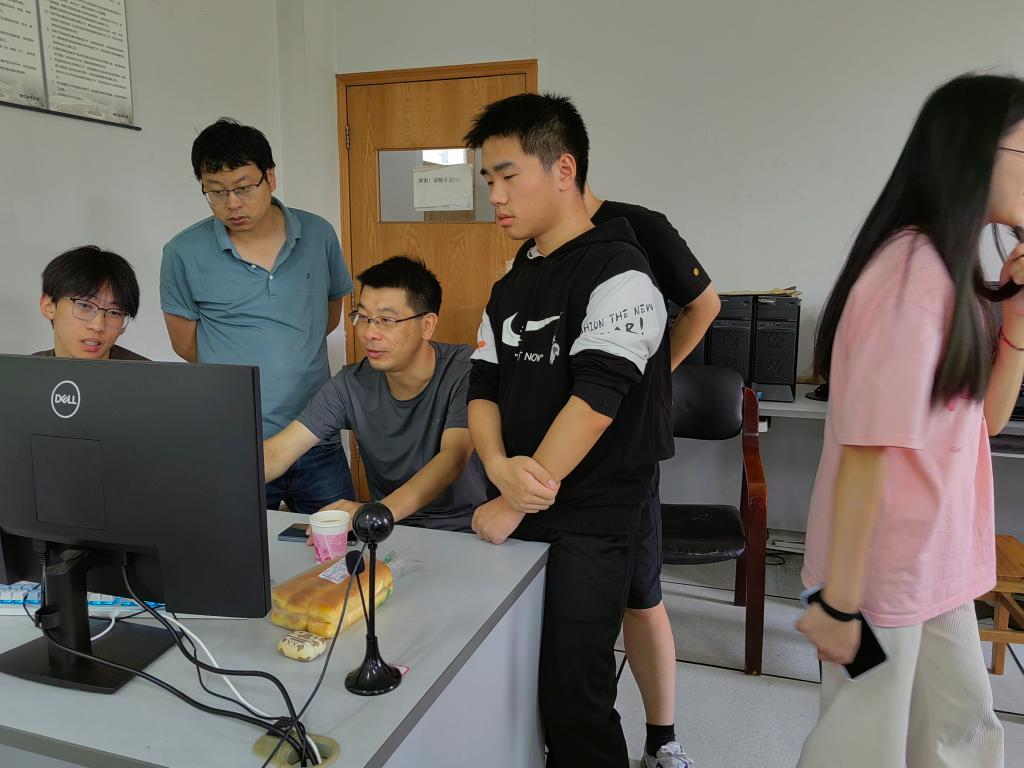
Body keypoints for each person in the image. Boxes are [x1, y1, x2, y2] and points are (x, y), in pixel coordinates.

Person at [796, 73, 1024, 766]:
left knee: (963, 735)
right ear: (976, 152)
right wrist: (840, 604)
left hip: (939, 571)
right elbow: (869, 456)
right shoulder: (910, 282)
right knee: (861, 747)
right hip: (880, 584)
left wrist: (1016, 322)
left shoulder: (950, 275)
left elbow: (984, 425)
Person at [465, 92, 666, 767]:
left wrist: (512, 499)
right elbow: (482, 387)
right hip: (516, 500)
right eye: (487, 179)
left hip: (590, 518)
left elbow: (595, 402)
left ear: (563, 169)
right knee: (513, 683)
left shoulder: (621, 271)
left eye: (507, 175)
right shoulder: (512, 282)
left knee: (574, 696)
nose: (495, 195)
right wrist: (498, 467)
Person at [160, 118, 355, 515]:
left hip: (314, 434)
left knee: (337, 545)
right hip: (234, 442)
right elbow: (186, 345)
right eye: (216, 191)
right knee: (236, 547)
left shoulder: (318, 233)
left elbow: (329, 314)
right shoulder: (182, 252)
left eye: (244, 187)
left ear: (271, 177)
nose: (232, 203)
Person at [264, 256, 483, 532]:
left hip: (469, 529)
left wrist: (378, 511)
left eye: (386, 320)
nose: (369, 333)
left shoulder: (466, 371)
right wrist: (218, 482)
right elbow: (278, 452)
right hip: (392, 529)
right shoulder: (351, 384)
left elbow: (454, 458)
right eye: (363, 318)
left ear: (427, 325)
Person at [35, 245, 146, 360]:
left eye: (115, 312)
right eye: (85, 305)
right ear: (48, 306)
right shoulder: (26, 369)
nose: (98, 326)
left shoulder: (146, 371)